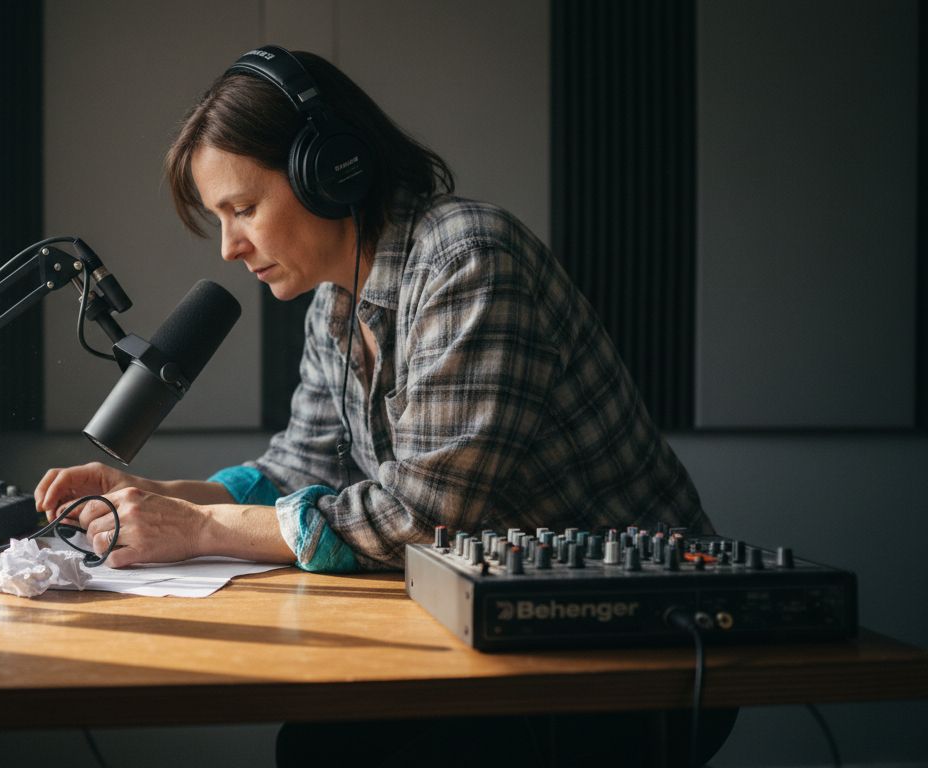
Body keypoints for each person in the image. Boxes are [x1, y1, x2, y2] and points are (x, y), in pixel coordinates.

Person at [35, 45, 733, 768]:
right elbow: (297, 469)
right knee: (319, 744)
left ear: (331, 168)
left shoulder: (468, 260)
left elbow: (427, 516)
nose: (229, 248)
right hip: (509, 637)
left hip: (632, 661)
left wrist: (202, 525)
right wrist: (152, 496)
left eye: (243, 209)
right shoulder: (335, 301)